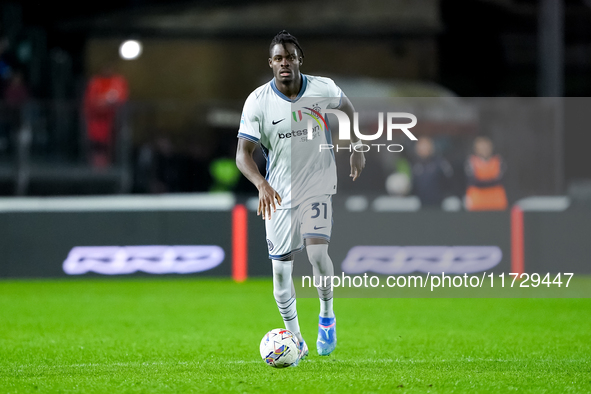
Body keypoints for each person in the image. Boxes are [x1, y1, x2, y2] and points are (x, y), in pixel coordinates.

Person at [235, 31, 365, 363]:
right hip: (277, 194)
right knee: (281, 274)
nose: (284, 63)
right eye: (278, 58)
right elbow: (243, 154)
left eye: (290, 57)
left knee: (317, 253)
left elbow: (348, 109)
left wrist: (356, 147)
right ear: (271, 63)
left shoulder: (322, 88)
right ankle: (297, 338)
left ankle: (326, 317)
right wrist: (261, 184)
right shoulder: (258, 102)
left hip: (318, 185)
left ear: (299, 60)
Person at [83, 65, 129, 168]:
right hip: (96, 120)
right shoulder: (95, 82)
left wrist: (110, 101)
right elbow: (90, 102)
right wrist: (104, 102)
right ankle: (96, 166)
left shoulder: (117, 81)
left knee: (111, 145)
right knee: (97, 145)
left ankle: (108, 164)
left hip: (113, 121)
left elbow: (121, 99)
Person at [465, 136, 508, 211]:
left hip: (497, 203)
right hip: (477, 203)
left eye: (486, 147)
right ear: (476, 149)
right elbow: (474, 181)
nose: (484, 150)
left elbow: (500, 180)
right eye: (481, 147)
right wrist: (491, 181)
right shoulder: (471, 162)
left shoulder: (498, 161)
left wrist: (484, 182)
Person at [411, 137, 453, 207]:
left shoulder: (440, 163)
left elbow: (450, 182)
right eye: (421, 146)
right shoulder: (414, 165)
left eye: (426, 146)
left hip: (438, 204)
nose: (423, 149)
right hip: (420, 205)